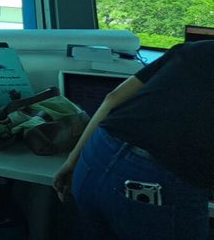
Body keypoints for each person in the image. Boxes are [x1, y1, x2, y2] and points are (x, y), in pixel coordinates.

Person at [53, 41, 214, 239]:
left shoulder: (197, 48)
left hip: (95, 155)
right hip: (156, 183)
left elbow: (112, 98)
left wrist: (72, 160)